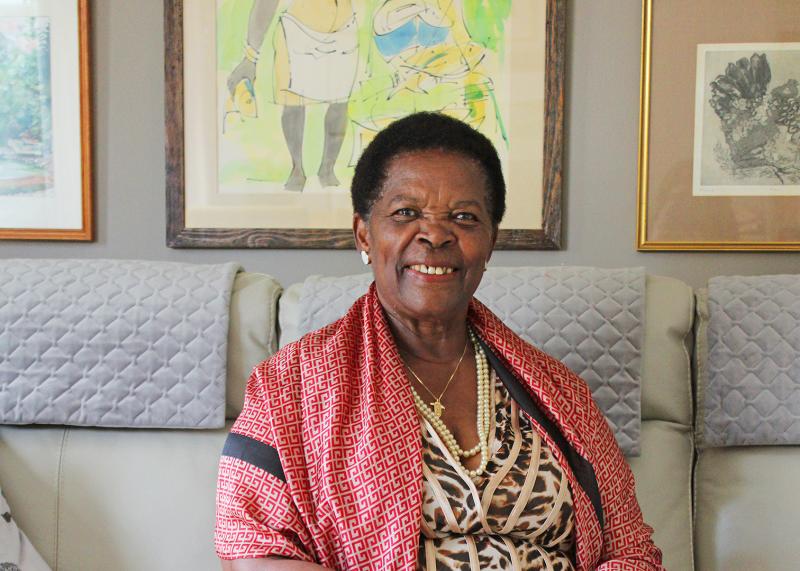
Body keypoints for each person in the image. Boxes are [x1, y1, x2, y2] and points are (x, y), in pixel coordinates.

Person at [215, 113, 664, 570]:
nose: (434, 234)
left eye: (464, 217)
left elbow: (631, 549)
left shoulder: (561, 393)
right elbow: (252, 552)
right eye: (406, 213)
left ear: (489, 244)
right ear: (364, 234)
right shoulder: (290, 385)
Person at [225, 0, 358, 191]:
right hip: (298, 31)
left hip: (344, 31)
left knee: (339, 102)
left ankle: (327, 169)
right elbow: (265, 4)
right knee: (294, 103)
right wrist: (250, 57)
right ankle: (297, 169)